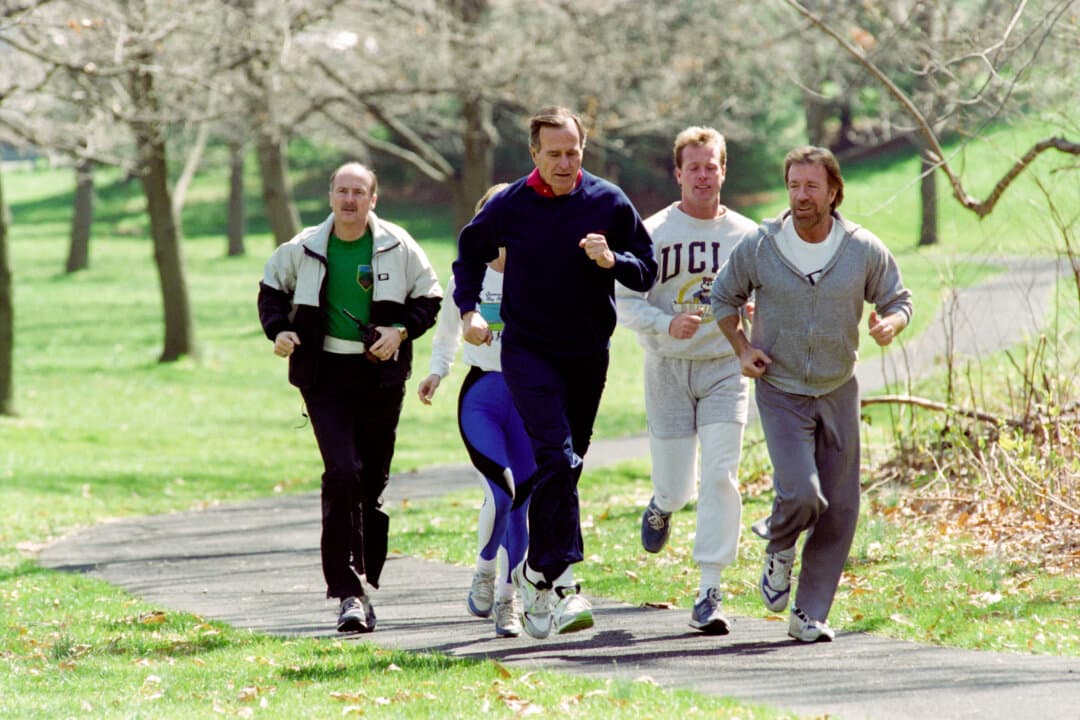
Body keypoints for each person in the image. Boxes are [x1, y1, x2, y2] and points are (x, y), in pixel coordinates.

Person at [452, 106, 657, 639]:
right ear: (534, 154)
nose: (566, 163)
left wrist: (614, 261)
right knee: (556, 455)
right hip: (528, 352)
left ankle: (534, 575)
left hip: (588, 355)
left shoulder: (608, 201)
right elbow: (469, 251)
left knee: (567, 466)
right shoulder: (512, 204)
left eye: (574, 152)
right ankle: (565, 586)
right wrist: (469, 309)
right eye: (555, 154)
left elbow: (647, 268)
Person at [710, 146, 912, 642]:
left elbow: (898, 298)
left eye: (811, 186)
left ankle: (808, 614)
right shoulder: (762, 246)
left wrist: (891, 323)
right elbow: (723, 297)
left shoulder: (861, 248)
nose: (801, 195)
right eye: (794, 185)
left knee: (841, 508)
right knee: (802, 493)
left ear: (833, 192)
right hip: (780, 388)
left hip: (838, 389)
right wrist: (741, 348)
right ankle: (779, 546)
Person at [257, 162, 442, 634]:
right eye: (342, 191)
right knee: (342, 472)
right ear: (330, 196)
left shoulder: (398, 245)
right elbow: (270, 292)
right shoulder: (303, 248)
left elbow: (430, 298)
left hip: (380, 376)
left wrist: (399, 331)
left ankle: (365, 578)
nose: (350, 200)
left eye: (359, 192)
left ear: (373, 199)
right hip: (325, 375)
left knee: (371, 483)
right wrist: (279, 332)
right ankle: (348, 592)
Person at [615, 126, 758, 635]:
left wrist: (756, 322)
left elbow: (764, 298)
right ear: (678, 173)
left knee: (720, 474)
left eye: (711, 165)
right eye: (693, 167)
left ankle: (709, 588)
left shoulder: (747, 236)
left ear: (724, 170)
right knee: (677, 486)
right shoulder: (651, 233)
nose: (703, 175)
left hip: (724, 365)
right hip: (668, 367)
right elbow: (626, 302)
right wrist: (665, 324)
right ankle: (661, 506)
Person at [417, 183, 532, 638]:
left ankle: (507, 598)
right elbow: (446, 333)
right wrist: (436, 372)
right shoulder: (467, 276)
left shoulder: (536, 272)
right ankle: (486, 566)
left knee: (520, 505)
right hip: (482, 395)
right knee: (500, 492)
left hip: (529, 399)